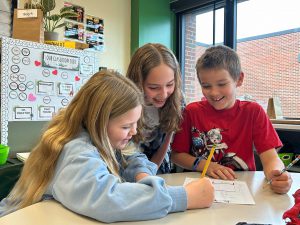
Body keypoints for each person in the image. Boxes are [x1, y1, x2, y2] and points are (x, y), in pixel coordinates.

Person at [0, 70, 214, 222]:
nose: (133, 132)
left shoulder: (95, 135)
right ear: (100, 122)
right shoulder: (77, 149)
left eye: (134, 124)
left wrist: (140, 173)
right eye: (126, 126)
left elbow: (129, 155)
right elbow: (107, 199)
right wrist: (184, 197)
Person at [171, 45, 293, 194]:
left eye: (222, 84)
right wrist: (205, 165)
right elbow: (177, 155)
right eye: (206, 86)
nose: (214, 92)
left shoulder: (253, 112)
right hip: (199, 188)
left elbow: (270, 158)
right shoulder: (191, 111)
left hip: (243, 190)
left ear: (239, 79)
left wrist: (278, 174)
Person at [126, 43, 184, 174]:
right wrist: (143, 176)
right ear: (137, 82)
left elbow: (165, 143)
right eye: (153, 87)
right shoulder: (125, 104)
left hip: (159, 170)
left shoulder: (177, 101)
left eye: (169, 84)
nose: (164, 94)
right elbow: (126, 151)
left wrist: (151, 173)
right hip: (128, 170)